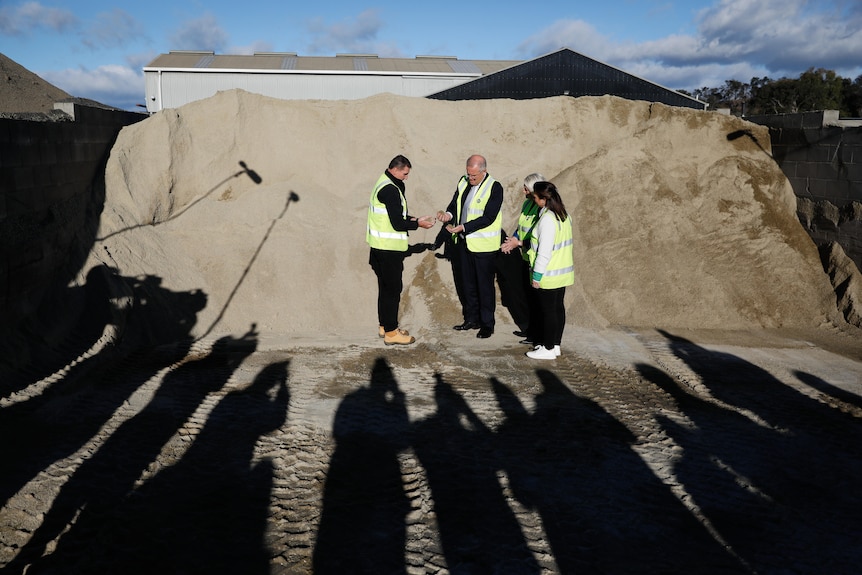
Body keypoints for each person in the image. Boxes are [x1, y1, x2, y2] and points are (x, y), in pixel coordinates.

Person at [367, 155, 435, 345]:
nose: (406, 177)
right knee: (392, 291)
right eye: (405, 174)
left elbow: (395, 214)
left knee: (385, 289)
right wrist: (419, 225)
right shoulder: (390, 190)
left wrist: (413, 219)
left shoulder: (384, 182)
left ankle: (385, 325)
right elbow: (397, 223)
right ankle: (391, 333)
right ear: (395, 169)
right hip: (389, 250)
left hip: (379, 248)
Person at [437, 154, 503, 339]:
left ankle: (487, 325)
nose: (470, 179)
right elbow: (455, 204)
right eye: (468, 174)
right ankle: (471, 319)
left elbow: (489, 217)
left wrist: (464, 227)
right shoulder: (464, 182)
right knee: (467, 284)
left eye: (474, 176)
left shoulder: (495, 188)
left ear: (484, 171)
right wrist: (448, 216)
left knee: (484, 287)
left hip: (483, 246)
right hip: (464, 243)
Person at [524, 181, 575, 360]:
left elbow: (544, 252)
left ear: (544, 199)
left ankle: (547, 347)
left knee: (548, 312)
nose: (534, 200)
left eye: (536, 197)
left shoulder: (547, 219)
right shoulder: (563, 215)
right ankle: (555, 346)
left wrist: (536, 276)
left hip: (549, 274)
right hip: (562, 273)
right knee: (558, 309)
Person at [500, 173, 546, 339]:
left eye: (526, 187)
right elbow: (522, 228)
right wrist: (513, 239)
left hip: (536, 259)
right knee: (528, 298)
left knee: (537, 300)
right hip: (526, 258)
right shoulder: (527, 204)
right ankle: (530, 331)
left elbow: (537, 237)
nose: (523, 190)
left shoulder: (542, 210)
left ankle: (538, 335)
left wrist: (517, 243)